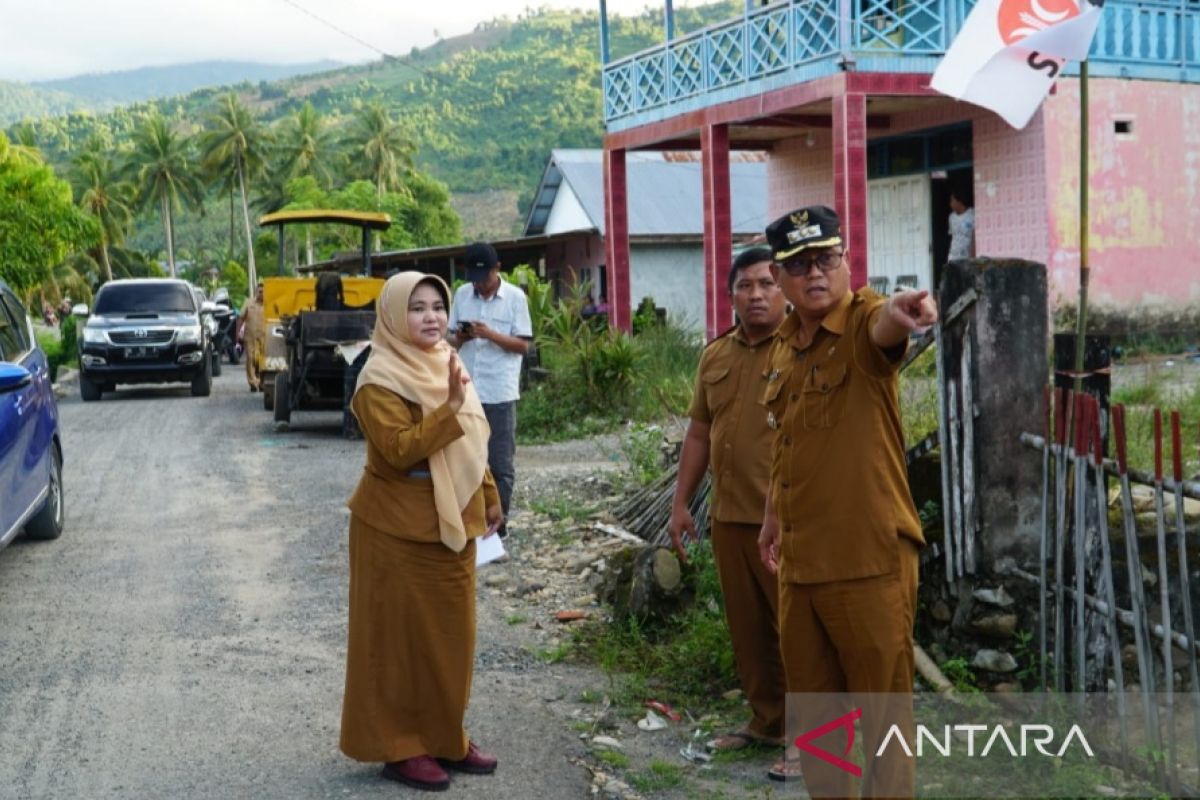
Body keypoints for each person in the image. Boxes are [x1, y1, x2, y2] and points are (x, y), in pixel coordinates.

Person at [756, 205, 937, 797]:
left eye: (826, 260)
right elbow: (790, 440)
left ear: (846, 262)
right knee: (819, 726)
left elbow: (884, 328)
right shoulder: (785, 344)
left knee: (885, 725)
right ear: (780, 276)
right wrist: (771, 518)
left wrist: (900, 312)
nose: (815, 274)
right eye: (800, 264)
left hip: (867, 565)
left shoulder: (859, 323)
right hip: (801, 569)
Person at [340, 271, 503, 792]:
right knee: (397, 643)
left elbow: (473, 437)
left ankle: (445, 736)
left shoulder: (445, 364)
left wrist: (490, 494)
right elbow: (399, 450)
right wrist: (450, 408)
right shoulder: (377, 379)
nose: (431, 317)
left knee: (451, 641)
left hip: (452, 521)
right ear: (392, 316)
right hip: (394, 527)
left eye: (437, 306)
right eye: (417, 308)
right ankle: (399, 745)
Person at [667, 247, 792, 780]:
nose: (757, 294)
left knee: (800, 634)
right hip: (729, 519)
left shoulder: (803, 349)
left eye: (767, 283)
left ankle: (815, 741)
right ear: (731, 295)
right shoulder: (715, 356)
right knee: (749, 631)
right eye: (746, 285)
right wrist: (680, 502)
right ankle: (767, 723)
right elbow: (699, 431)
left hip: (788, 524)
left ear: (783, 288)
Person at [448, 242, 532, 538]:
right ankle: (471, 523)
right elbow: (449, 343)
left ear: (497, 270)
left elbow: (523, 345)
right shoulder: (461, 295)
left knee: (500, 463)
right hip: (467, 390)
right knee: (466, 458)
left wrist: (489, 334)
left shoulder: (515, 298)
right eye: (474, 278)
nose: (479, 285)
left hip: (500, 391)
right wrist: (461, 337)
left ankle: (499, 527)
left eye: (484, 278)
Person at [238, 283, 264, 391]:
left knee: (262, 361)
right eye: (260, 291)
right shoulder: (248, 303)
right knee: (250, 359)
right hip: (250, 337)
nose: (262, 294)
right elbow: (240, 318)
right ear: (256, 292)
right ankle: (253, 383)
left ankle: (262, 383)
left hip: (264, 337)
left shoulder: (270, 303)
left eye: (264, 292)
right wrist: (238, 333)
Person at [948, 186, 975, 261]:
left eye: (952, 201)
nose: (951, 204)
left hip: (966, 258)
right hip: (953, 257)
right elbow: (953, 237)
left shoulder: (972, 215)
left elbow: (974, 236)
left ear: (959, 201)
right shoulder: (951, 217)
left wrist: (973, 256)